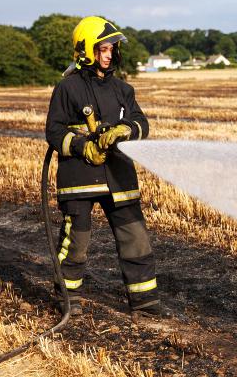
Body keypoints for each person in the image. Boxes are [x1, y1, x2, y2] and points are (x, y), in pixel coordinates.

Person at [45, 16, 170, 318]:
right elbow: (54, 131)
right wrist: (84, 146)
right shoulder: (67, 88)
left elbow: (141, 122)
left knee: (135, 238)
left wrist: (126, 129)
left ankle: (145, 302)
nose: (109, 55)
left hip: (119, 176)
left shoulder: (123, 89)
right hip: (79, 178)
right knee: (77, 241)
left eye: (112, 48)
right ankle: (68, 298)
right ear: (86, 51)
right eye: (103, 49)